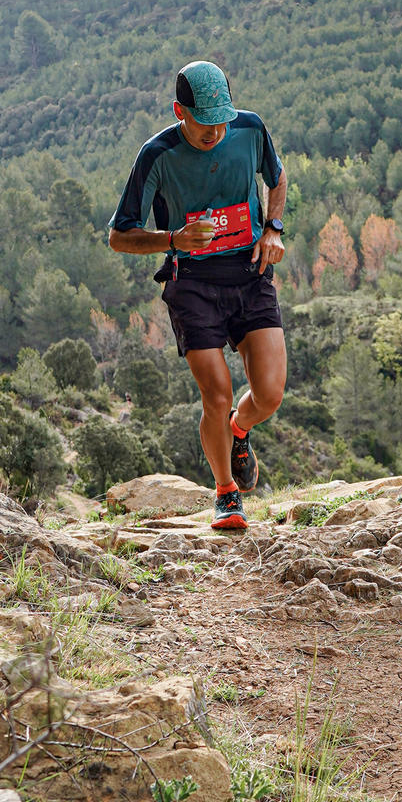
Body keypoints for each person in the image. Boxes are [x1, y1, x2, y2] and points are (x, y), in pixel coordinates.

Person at [108, 60, 287, 530]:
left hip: (250, 273)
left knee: (270, 394)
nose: (215, 132)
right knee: (217, 394)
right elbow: (119, 236)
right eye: (204, 122)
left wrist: (273, 228)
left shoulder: (249, 129)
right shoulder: (157, 155)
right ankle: (226, 493)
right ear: (179, 112)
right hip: (191, 283)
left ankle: (240, 429)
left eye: (221, 120)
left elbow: (277, 178)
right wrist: (173, 239)